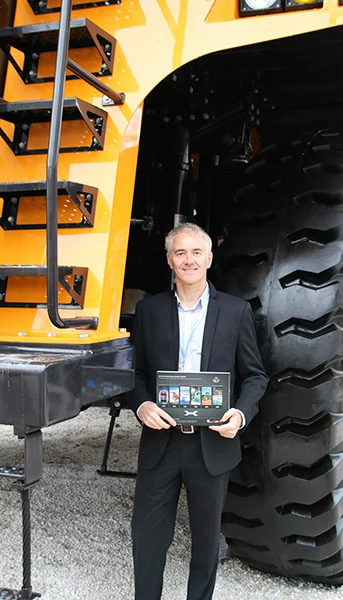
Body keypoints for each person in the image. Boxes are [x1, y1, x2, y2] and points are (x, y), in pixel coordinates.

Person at [129, 223, 268, 600]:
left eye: (195, 253)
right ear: (169, 260)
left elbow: (255, 376)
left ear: (209, 258)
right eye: (180, 253)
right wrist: (142, 405)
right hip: (161, 442)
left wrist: (240, 415)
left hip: (212, 445)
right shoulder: (149, 310)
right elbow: (135, 374)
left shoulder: (236, 311)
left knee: (206, 546)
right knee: (147, 539)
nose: (188, 260)